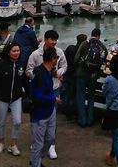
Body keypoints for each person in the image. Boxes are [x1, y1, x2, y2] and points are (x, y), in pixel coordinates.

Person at [26, 29, 67, 160]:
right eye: (52, 39)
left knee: (51, 119)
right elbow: (28, 70)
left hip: (54, 87)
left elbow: (64, 66)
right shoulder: (35, 54)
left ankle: (51, 145)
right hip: (40, 87)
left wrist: (58, 73)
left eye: (55, 40)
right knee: (39, 119)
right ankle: (37, 143)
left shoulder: (59, 52)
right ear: (45, 39)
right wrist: (38, 77)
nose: (54, 42)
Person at [0, 42, 24, 156]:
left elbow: (24, 80)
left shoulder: (21, 64)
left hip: (16, 98)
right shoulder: (2, 65)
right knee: (2, 122)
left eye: (18, 51)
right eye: (13, 51)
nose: (16, 53)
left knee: (17, 121)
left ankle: (13, 144)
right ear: (9, 52)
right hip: (2, 98)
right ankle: (1, 142)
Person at [29, 47, 60, 167]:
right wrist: (53, 99)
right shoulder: (40, 74)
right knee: (38, 142)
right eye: (56, 57)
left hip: (49, 110)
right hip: (39, 113)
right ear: (52, 59)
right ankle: (36, 163)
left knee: (50, 138)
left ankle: (36, 160)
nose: (57, 59)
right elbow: (37, 96)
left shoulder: (47, 71)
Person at [73, 27, 107, 127]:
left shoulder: (84, 43)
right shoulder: (102, 46)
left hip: (81, 74)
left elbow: (76, 58)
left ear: (91, 34)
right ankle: (90, 119)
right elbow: (104, 59)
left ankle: (82, 120)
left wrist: (77, 68)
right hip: (93, 75)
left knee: (81, 96)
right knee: (91, 96)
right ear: (99, 36)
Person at [63, 33, 87, 121]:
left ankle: (67, 112)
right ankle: (75, 113)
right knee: (76, 95)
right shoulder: (83, 51)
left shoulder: (70, 48)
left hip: (67, 73)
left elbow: (64, 59)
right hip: (77, 75)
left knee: (68, 94)